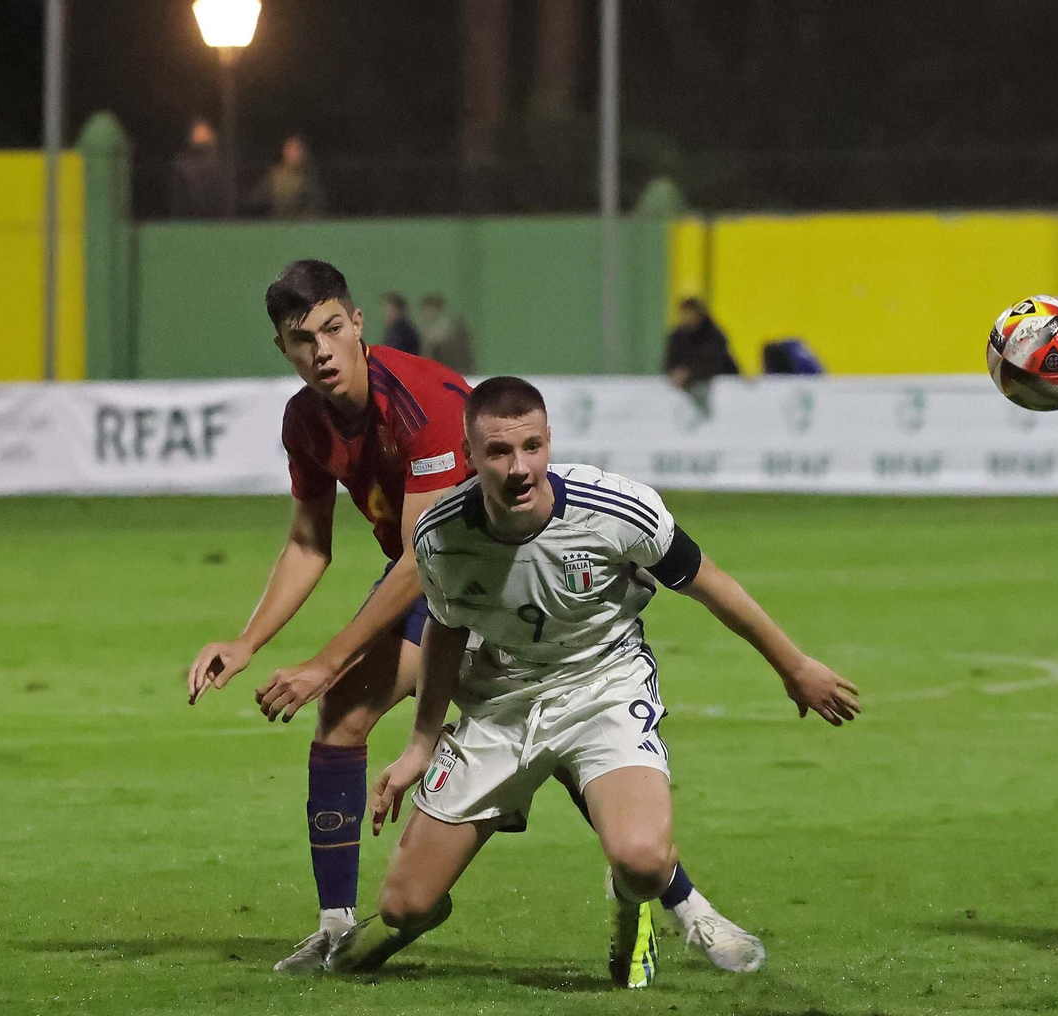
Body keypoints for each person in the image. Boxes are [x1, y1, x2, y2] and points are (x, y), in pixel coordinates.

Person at [185, 260, 762, 976]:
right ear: (284, 349)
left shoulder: (419, 401)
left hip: (499, 578)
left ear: (358, 323)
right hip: (441, 586)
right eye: (302, 339)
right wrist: (247, 642)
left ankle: (683, 906)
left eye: (333, 328)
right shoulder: (305, 419)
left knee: (560, 735)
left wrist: (324, 659)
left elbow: (417, 565)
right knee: (342, 719)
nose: (321, 350)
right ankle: (336, 927)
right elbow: (309, 542)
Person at [326, 376, 861, 988]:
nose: (519, 467)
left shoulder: (617, 509)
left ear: (550, 441)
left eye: (532, 446)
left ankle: (630, 908)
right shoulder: (440, 535)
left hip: (602, 686)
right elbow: (445, 632)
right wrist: (420, 744)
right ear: (470, 458)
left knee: (643, 862)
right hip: (499, 703)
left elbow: (711, 584)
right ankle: (397, 922)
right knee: (404, 906)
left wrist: (794, 667)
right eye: (499, 453)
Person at [663, 298, 739, 392]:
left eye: (690, 314)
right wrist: (675, 371)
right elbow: (669, 360)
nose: (687, 318)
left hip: (717, 386)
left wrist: (688, 372)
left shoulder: (712, 335)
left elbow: (713, 362)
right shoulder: (677, 336)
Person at [167, 119, 235, 218]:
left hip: (218, 224)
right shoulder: (181, 166)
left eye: (204, 131)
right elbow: (175, 200)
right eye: (197, 131)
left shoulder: (221, 164)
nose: (200, 135)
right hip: (187, 225)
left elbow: (228, 199)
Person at [249, 135, 327, 218]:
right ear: (284, 151)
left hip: (302, 226)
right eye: (290, 149)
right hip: (276, 225)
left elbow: (318, 206)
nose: (294, 153)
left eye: (297, 149)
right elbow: (256, 199)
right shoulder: (275, 175)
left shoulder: (310, 177)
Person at [418, 293, 476, 375]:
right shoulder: (435, 327)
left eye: (427, 309)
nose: (425, 313)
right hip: (450, 369)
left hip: (453, 369)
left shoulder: (445, 327)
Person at [380, 292, 421, 356]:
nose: (385, 314)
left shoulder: (399, 331)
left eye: (388, 309)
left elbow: (391, 353)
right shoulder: (407, 328)